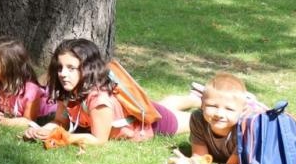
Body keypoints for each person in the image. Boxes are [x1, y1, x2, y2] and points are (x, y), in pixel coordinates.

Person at [163, 73, 296, 164]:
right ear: (201, 104)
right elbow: (200, 155)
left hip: (281, 149)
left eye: (228, 108)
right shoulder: (198, 119)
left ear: (241, 111)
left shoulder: (242, 128)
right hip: (271, 133)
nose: (219, 113)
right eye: (212, 106)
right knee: (295, 131)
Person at [25, 38, 180, 147]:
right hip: (139, 110)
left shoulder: (99, 99)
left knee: (186, 119)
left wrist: (62, 137)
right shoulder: (67, 90)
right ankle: (192, 97)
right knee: (166, 104)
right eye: (60, 67)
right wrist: (41, 130)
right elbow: (60, 121)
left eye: (71, 68)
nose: (63, 74)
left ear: (86, 68)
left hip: (157, 124)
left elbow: (99, 140)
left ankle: (197, 100)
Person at [0, 36, 55, 126]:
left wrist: (4, 121)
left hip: (47, 105)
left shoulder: (31, 92)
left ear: (9, 64)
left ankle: (51, 75)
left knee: (48, 91)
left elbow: (28, 121)